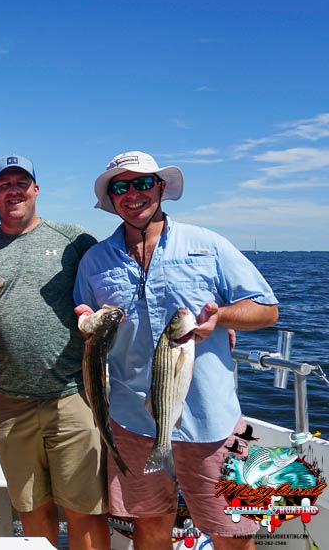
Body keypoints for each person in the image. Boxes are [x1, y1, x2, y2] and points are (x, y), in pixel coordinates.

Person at [74, 151, 278, 550]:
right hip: (132, 420)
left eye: (143, 183)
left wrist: (222, 318)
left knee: (233, 534)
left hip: (211, 419)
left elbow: (267, 309)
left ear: (161, 188)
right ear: (111, 199)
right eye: (121, 186)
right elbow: (87, 324)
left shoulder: (208, 244)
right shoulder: (94, 261)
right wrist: (86, 324)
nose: (133, 194)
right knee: (149, 529)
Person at [0, 154, 110, 550]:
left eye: (21, 183)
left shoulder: (73, 239)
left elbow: (114, 287)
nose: (14, 191)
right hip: (9, 402)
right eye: (4, 184)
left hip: (73, 397)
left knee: (86, 511)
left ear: (36, 189)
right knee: (31, 509)